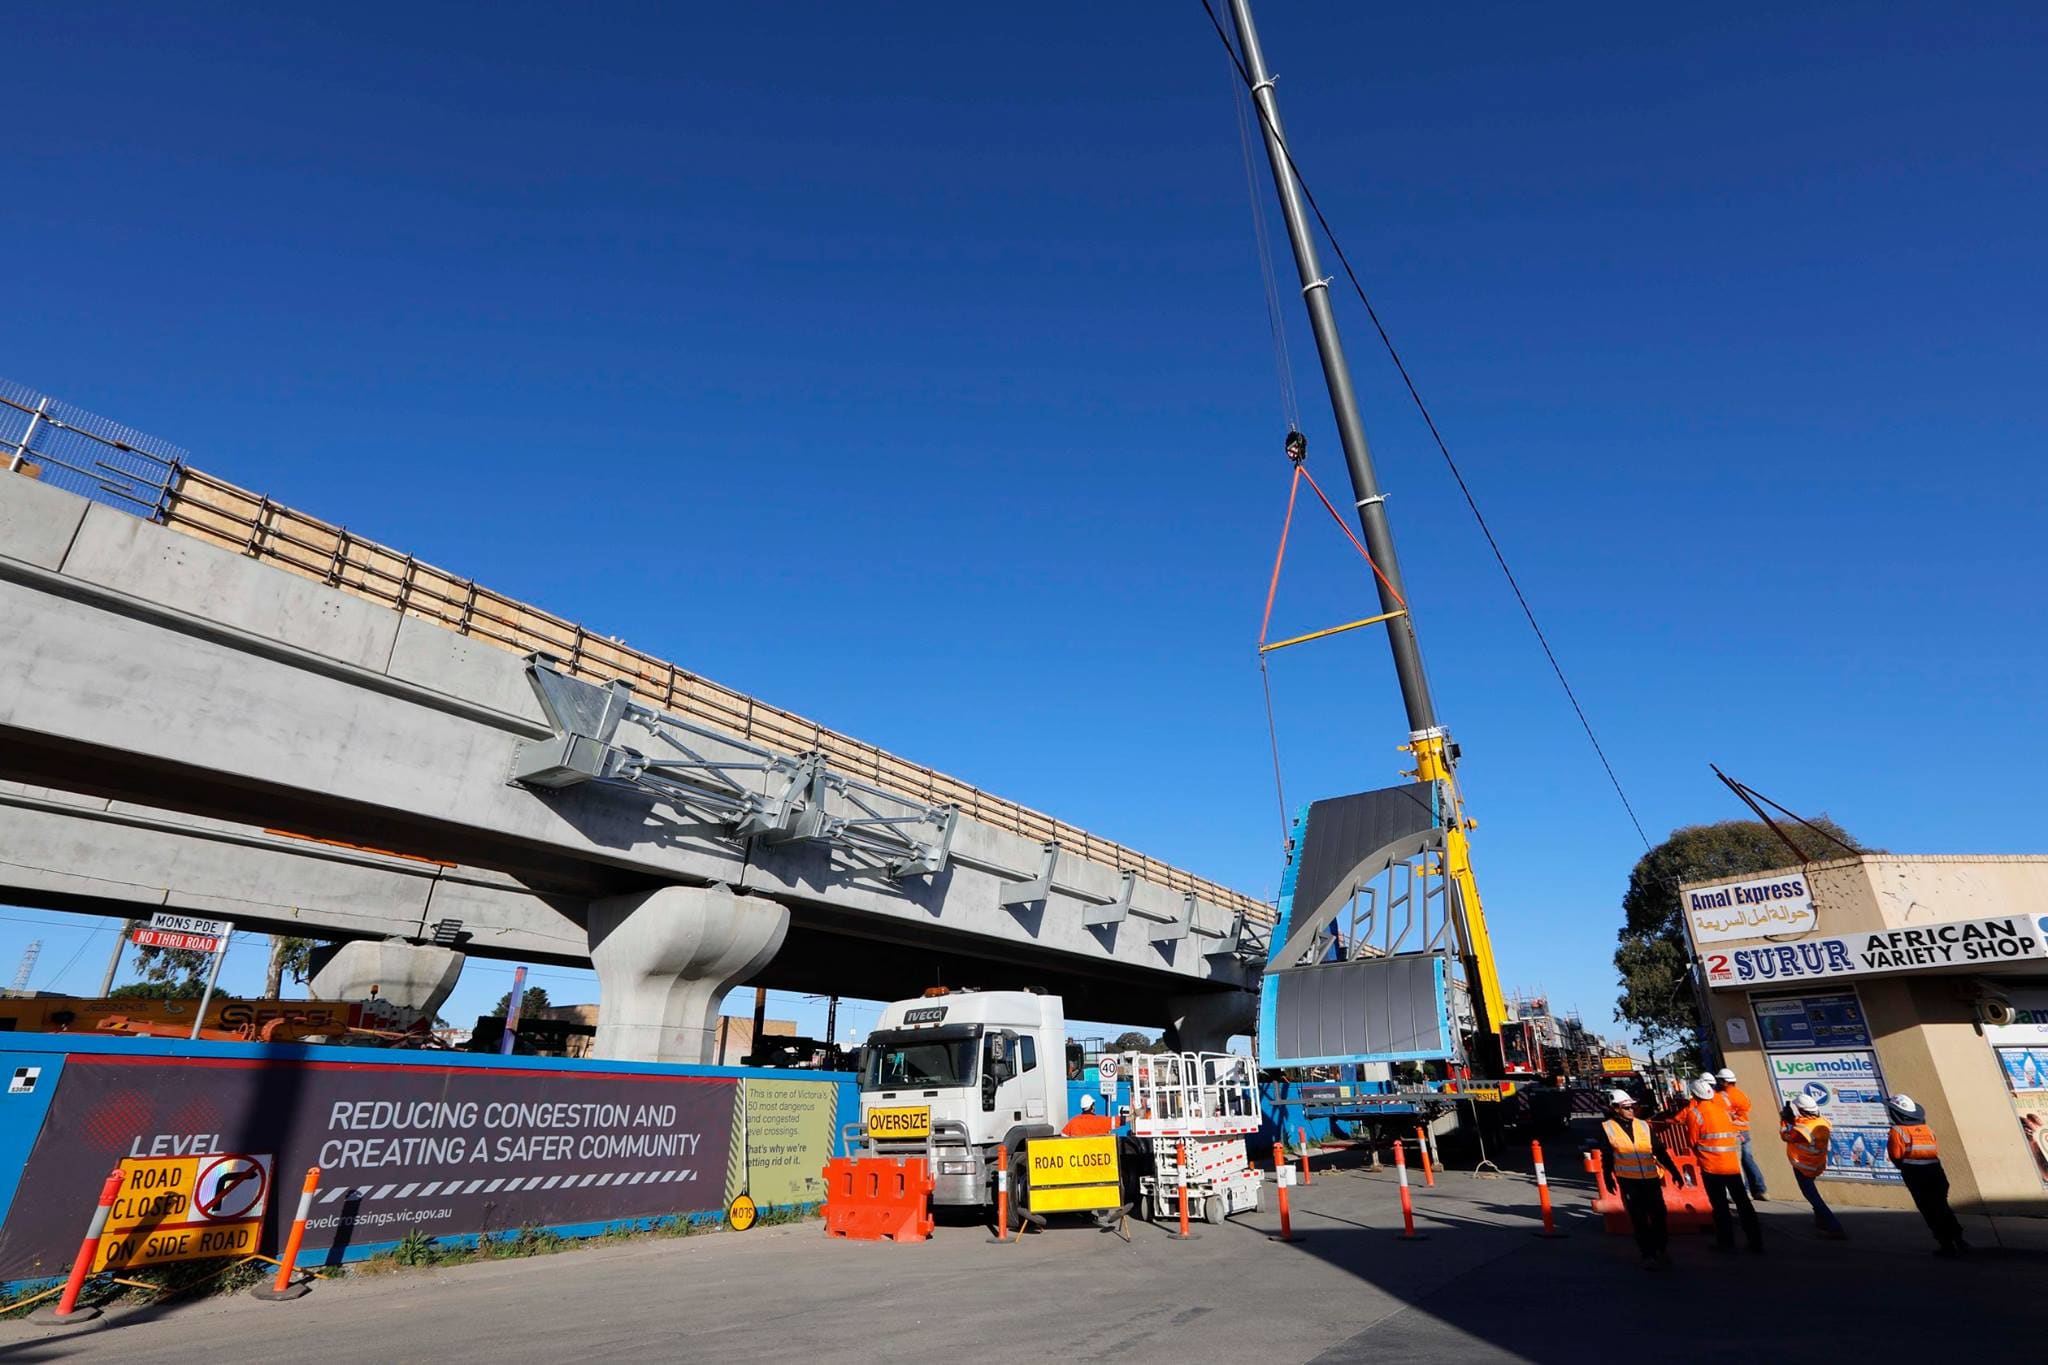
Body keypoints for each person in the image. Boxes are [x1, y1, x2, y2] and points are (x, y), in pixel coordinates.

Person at [1681, 1076, 1762, 1253]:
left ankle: (1726, 1242)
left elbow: (1693, 1141)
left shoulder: (1695, 1114)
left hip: (1711, 1167)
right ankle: (1756, 1241)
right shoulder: (1723, 1112)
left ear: (1694, 1095)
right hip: (1731, 1166)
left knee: (1720, 1207)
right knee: (1744, 1205)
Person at [1594, 1091, 1672, 1270]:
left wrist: (1673, 1170)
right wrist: (1607, 1177)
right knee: (1639, 1219)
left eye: (1633, 1107)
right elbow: (1607, 1156)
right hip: (1629, 1181)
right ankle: (1647, 1254)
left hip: (1651, 1178)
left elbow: (1659, 1150)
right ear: (1616, 1109)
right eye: (1627, 1107)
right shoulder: (1608, 1128)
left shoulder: (1643, 1125)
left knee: (1659, 1214)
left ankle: (1661, 1248)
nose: (1632, 1110)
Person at [1886, 1094, 1968, 1255]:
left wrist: (1904, 1168)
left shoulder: (1897, 1131)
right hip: (1936, 1172)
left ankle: (1946, 1244)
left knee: (1929, 1210)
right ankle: (1959, 1239)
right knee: (1942, 1207)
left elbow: (1896, 1155)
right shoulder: (1927, 1129)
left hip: (1916, 1176)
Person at [1780, 1094, 1845, 1239]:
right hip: (1817, 1164)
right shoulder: (1822, 1121)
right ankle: (1820, 1221)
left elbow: (1786, 1136)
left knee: (1812, 1195)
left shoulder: (1803, 1129)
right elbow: (1803, 1124)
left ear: (1802, 1110)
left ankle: (1834, 1226)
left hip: (1803, 1166)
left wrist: (1784, 1121)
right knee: (1812, 1193)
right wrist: (1792, 1120)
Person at [1715, 1066, 1767, 1199]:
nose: (1718, 1083)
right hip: (1745, 1131)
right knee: (1748, 1160)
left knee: (1736, 1163)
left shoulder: (1723, 1096)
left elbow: (1722, 1114)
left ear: (1725, 1082)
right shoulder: (1741, 1094)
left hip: (1735, 1133)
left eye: (1720, 1080)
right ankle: (1761, 1189)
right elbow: (1747, 1107)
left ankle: (1745, 1191)